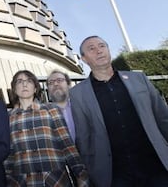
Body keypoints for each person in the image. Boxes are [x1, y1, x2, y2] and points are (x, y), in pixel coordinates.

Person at [70, 35, 168, 187]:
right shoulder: (78, 94)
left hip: (156, 167)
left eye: (102, 46)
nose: (99, 51)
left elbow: (162, 117)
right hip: (116, 176)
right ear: (84, 59)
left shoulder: (139, 79)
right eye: (91, 49)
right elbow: (84, 138)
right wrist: (92, 171)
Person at [4, 70, 89, 187]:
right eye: (19, 81)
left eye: (29, 81)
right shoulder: (8, 118)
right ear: (14, 89)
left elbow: (67, 145)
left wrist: (81, 175)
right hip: (22, 182)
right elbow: (8, 155)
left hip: (54, 181)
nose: (24, 84)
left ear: (35, 88)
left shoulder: (51, 109)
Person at [47, 70, 76, 141]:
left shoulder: (81, 107)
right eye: (51, 82)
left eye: (59, 80)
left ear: (69, 85)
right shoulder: (43, 113)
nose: (55, 84)